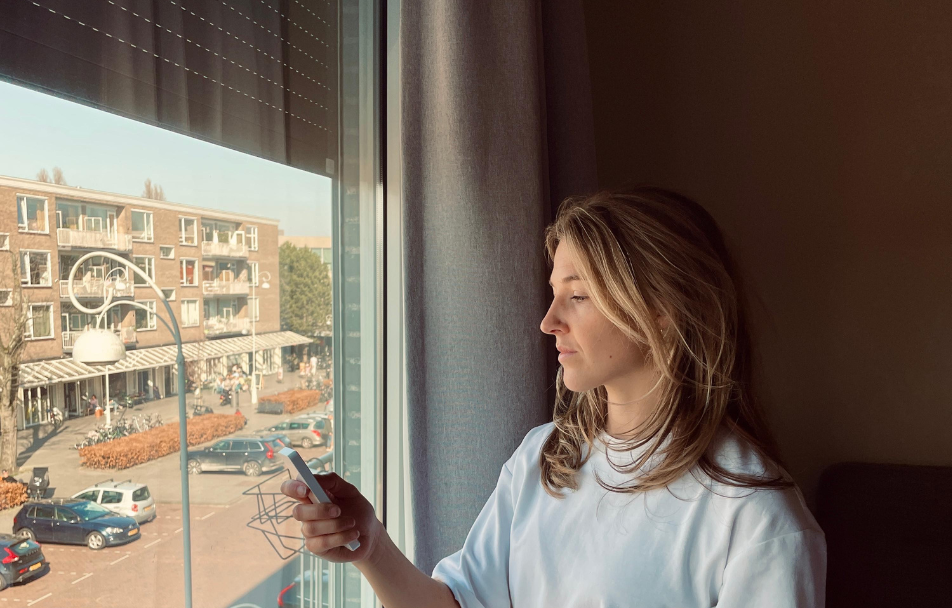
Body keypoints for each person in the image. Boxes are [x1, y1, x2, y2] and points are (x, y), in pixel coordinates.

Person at [280, 189, 827, 607]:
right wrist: (371, 546)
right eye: (554, 295)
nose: (548, 322)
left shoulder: (760, 523)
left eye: (579, 296)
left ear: (665, 308)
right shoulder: (542, 459)